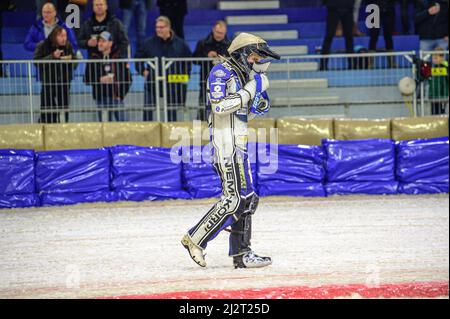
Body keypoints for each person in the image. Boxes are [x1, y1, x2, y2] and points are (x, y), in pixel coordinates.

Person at [181, 33, 280, 269]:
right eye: (255, 56)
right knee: (234, 200)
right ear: (243, 53)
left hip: (239, 144)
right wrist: (249, 90)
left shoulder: (242, 75)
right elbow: (219, 106)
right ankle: (195, 239)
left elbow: (242, 113)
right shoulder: (221, 72)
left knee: (248, 199)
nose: (257, 61)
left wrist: (257, 104)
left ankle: (242, 254)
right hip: (225, 146)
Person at [135, 16, 191, 122]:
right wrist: (142, 70)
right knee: (148, 111)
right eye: (157, 27)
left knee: (171, 112)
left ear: (169, 27)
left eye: (161, 27)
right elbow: (138, 57)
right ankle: (147, 134)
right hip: (152, 83)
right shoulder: (149, 43)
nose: (158, 30)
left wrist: (183, 78)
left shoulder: (180, 44)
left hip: (172, 84)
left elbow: (187, 62)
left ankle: (170, 133)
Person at [84, 31, 132, 122]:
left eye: (103, 41)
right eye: (99, 41)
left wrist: (120, 95)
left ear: (110, 43)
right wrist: (99, 80)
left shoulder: (118, 57)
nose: (100, 43)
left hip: (116, 98)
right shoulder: (93, 58)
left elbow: (129, 79)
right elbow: (86, 79)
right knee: (104, 129)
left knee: (125, 125)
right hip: (100, 99)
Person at [34, 26, 77, 123]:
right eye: (61, 36)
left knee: (64, 109)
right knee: (48, 109)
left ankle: (63, 128)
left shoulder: (68, 46)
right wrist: (52, 56)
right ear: (54, 36)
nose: (64, 38)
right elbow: (36, 62)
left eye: (65, 36)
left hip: (64, 82)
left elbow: (75, 63)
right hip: (48, 82)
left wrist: (71, 61)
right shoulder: (43, 45)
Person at [193, 20, 230, 120]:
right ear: (213, 30)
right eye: (217, 32)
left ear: (225, 32)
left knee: (223, 107)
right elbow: (194, 60)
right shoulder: (203, 43)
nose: (219, 35)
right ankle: (201, 125)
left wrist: (224, 60)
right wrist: (206, 56)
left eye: (221, 33)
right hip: (206, 80)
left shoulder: (230, 45)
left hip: (225, 82)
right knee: (203, 105)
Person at [320, 0, 355, 70]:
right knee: (329, 36)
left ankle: (352, 65)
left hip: (348, 8)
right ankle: (323, 65)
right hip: (333, 8)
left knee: (349, 37)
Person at [367, 0, 397, 67]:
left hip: (389, 9)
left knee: (388, 36)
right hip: (374, 10)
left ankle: (392, 63)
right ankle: (370, 63)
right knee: (373, 36)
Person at [429, 48, 449, 115]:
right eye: (433, 58)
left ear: (442, 58)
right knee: (434, 115)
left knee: (444, 115)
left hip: (444, 96)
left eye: (435, 58)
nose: (433, 60)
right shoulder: (432, 67)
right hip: (434, 95)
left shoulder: (446, 66)